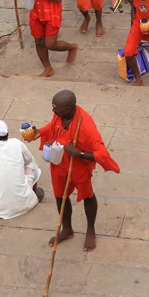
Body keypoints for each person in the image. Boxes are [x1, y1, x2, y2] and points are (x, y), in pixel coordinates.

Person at [23, 90, 120, 251]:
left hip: (78, 166)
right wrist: (40, 132)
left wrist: (78, 153)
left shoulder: (87, 126)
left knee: (88, 196)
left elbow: (102, 154)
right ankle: (67, 229)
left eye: (56, 108)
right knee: (60, 197)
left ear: (68, 109)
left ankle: (91, 230)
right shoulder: (60, 115)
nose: (53, 111)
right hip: (59, 163)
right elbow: (53, 126)